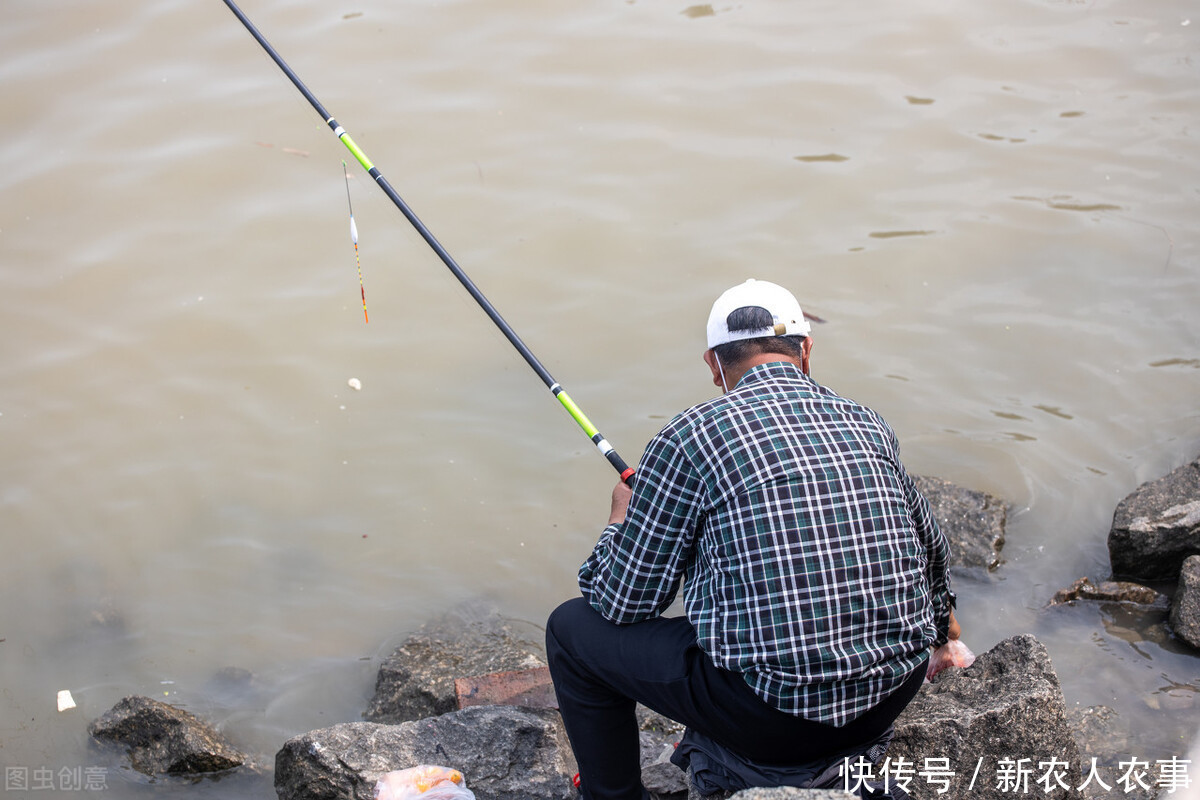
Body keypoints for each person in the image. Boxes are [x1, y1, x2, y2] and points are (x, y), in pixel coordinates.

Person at [545, 279, 960, 800]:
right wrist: (944, 632)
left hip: (774, 721)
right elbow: (932, 550)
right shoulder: (868, 422)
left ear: (713, 365)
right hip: (887, 697)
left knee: (569, 630)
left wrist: (621, 521)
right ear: (807, 351)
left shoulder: (689, 436)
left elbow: (623, 601)